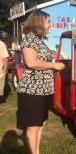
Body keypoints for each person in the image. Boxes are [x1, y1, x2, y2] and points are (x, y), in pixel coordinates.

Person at [16, 10, 65, 154]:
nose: (51, 25)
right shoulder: (30, 38)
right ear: (39, 22)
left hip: (43, 90)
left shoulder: (39, 40)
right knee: (33, 127)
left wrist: (52, 64)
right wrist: (53, 65)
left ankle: (36, 151)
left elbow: (40, 61)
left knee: (41, 123)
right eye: (48, 22)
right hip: (32, 91)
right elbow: (31, 62)